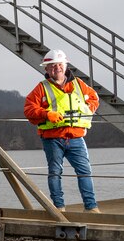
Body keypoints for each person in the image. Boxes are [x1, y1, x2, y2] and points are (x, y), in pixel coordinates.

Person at [23, 49, 101, 213]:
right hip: (52, 138)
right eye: (52, 66)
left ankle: (91, 207)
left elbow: (94, 98)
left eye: (59, 64)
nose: (56, 68)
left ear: (65, 66)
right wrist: (46, 114)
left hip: (76, 137)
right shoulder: (41, 88)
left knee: (85, 172)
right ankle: (59, 208)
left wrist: (88, 109)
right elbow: (29, 110)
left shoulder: (79, 84)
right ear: (46, 69)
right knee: (55, 172)